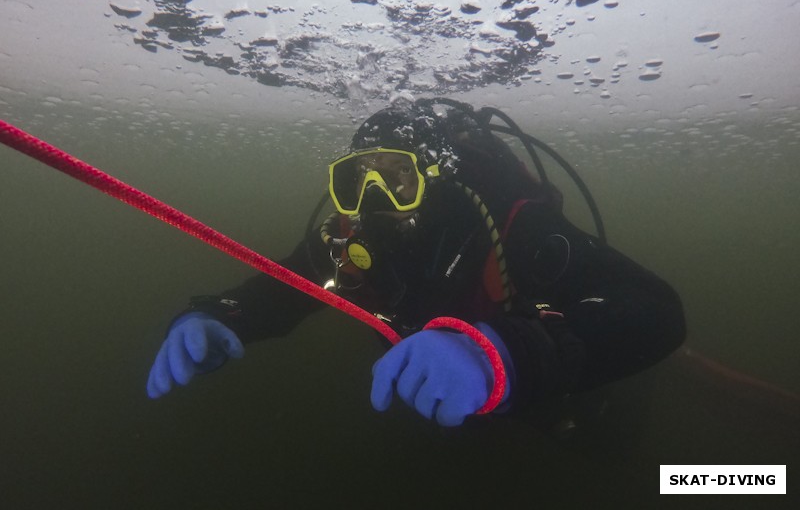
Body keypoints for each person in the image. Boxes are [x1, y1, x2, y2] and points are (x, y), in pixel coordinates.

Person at [146, 98, 686, 427]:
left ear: (438, 177)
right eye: (358, 179)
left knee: (605, 441)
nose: (375, 196)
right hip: (421, 401)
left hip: (544, 392)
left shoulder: (511, 225)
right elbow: (283, 289)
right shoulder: (348, 238)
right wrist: (220, 314)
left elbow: (654, 308)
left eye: (397, 176)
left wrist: (504, 355)